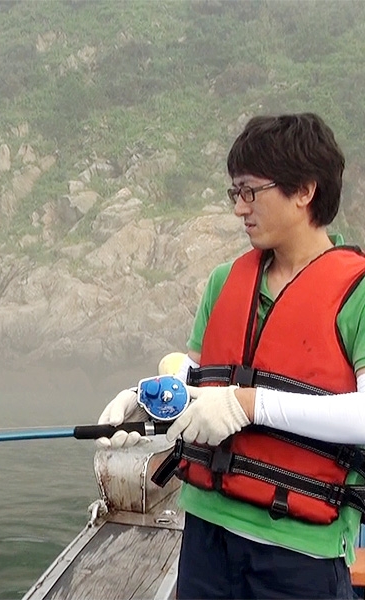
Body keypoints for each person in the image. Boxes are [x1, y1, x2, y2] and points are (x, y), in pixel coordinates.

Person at [98, 113, 365, 599]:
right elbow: (202, 385)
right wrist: (149, 398)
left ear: (304, 190)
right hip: (206, 534)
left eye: (250, 192)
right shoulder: (226, 282)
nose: (240, 208)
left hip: (300, 550)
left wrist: (248, 404)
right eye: (234, 194)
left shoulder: (358, 293)